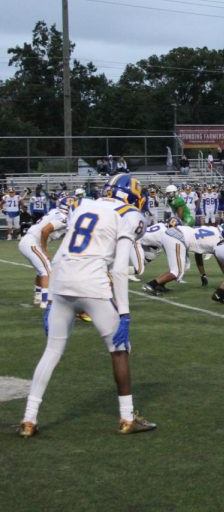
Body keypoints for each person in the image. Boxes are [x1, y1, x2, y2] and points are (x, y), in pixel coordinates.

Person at [18, 173, 156, 438]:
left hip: (62, 282)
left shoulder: (84, 206)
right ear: (134, 196)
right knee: (120, 349)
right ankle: (127, 417)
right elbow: (118, 270)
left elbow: (61, 254)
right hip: (92, 284)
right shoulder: (131, 215)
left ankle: (29, 419)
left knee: (52, 350)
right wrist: (125, 313)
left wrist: (50, 299)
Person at [19, 197, 72, 309]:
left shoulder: (55, 211)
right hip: (33, 242)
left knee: (41, 270)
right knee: (47, 271)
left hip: (29, 240)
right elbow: (45, 230)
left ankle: (38, 296)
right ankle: (45, 301)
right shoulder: (64, 218)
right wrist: (44, 248)